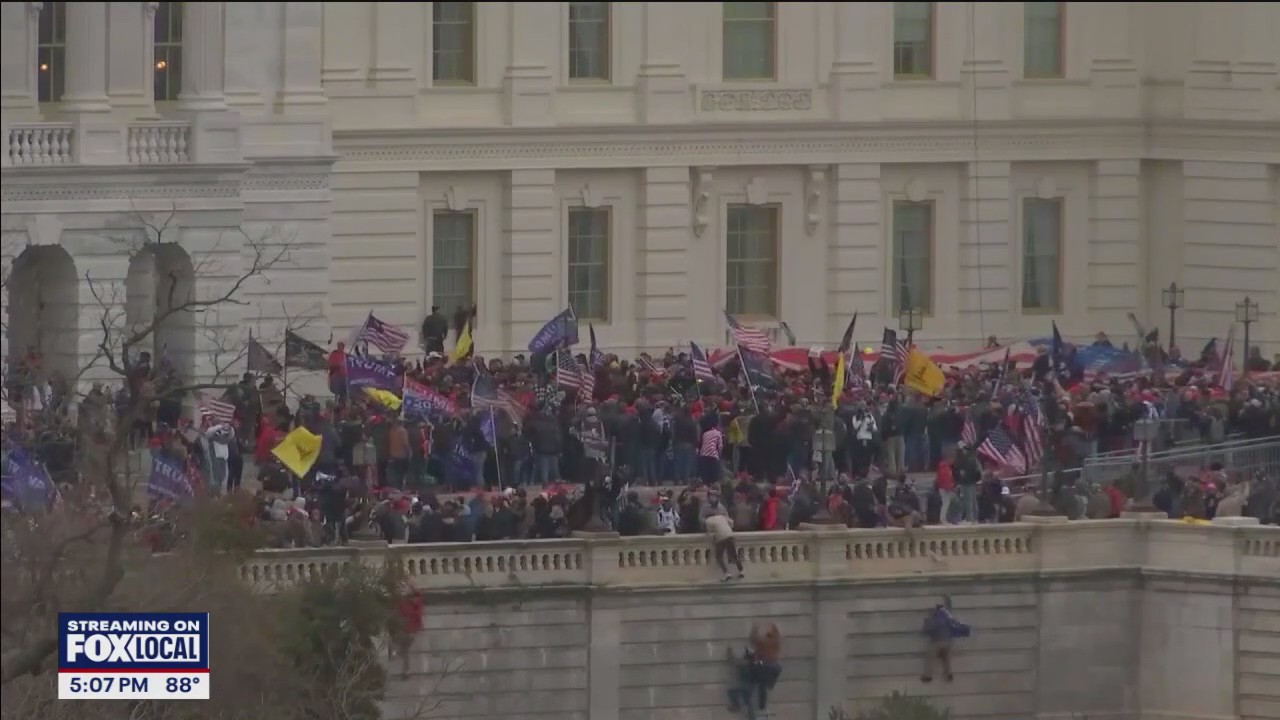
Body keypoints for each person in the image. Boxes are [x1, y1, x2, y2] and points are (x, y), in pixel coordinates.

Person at [921, 597, 969, 683]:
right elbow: (950, 608)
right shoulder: (947, 616)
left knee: (930, 658)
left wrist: (927, 624)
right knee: (947, 659)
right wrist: (948, 598)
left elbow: (926, 631)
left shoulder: (932, 618)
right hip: (948, 642)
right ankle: (948, 674)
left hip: (936, 643)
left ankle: (928, 676)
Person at [704, 511, 743, 581]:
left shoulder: (707, 520)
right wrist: (730, 528)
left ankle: (726, 573)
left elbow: (709, 532)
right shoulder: (722, 516)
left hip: (721, 538)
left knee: (719, 557)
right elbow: (731, 522)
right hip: (730, 535)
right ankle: (741, 571)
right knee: (734, 555)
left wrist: (713, 538)